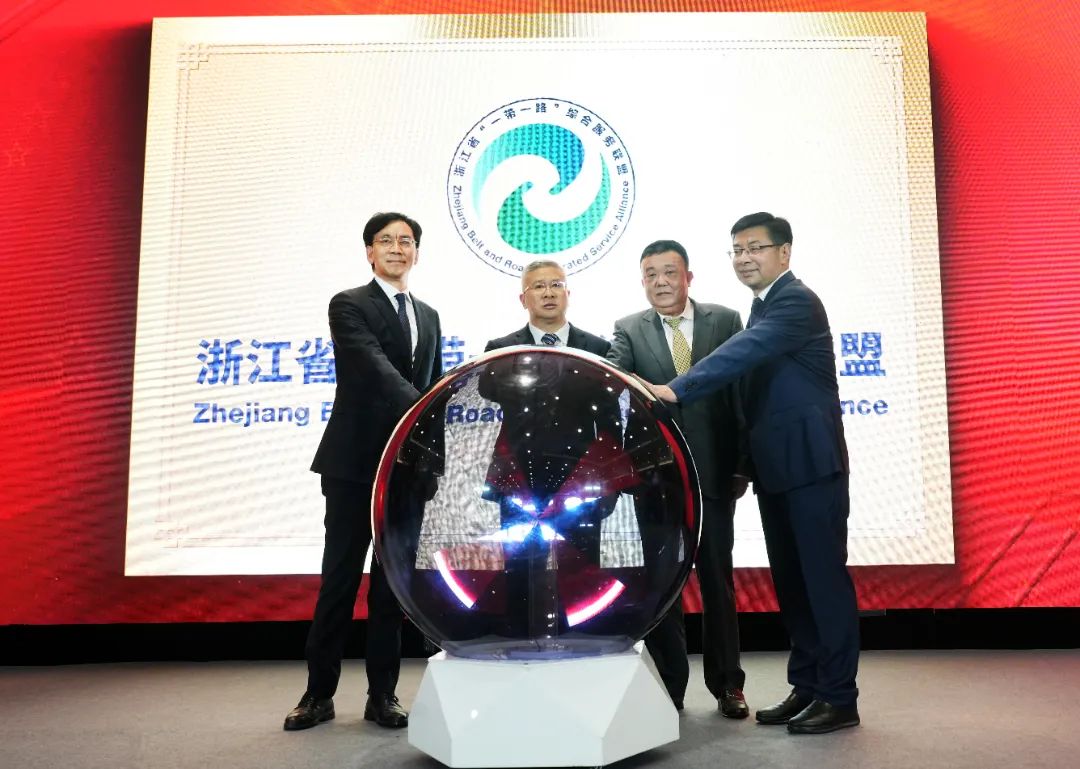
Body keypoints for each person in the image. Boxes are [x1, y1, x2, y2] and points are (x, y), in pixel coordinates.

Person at [649, 213, 860, 735]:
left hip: (811, 464)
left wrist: (677, 388)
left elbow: (741, 353)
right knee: (792, 584)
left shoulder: (795, 301)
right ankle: (808, 685)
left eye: (755, 248)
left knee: (823, 582)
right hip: (777, 470)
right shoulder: (761, 306)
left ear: (784, 252)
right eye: (737, 250)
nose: (745, 258)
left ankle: (839, 696)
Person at [284, 212, 443, 731]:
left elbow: (434, 384)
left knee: (391, 588)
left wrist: (432, 445)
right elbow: (373, 367)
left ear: (416, 252)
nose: (397, 248)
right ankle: (318, 694)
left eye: (406, 241)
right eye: (386, 240)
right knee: (340, 579)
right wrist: (419, 407)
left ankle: (383, 696)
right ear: (369, 252)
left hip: (405, 469)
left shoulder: (429, 315)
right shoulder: (349, 304)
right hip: (353, 465)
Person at [607, 239, 749, 717]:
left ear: (689, 277)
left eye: (669, 272)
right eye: (651, 274)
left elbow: (740, 397)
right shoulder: (628, 329)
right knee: (663, 586)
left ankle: (728, 684)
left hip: (715, 474)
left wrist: (741, 463)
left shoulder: (724, 321)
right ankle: (671, 690)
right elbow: (614, 384)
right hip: (656, 481)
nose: (661, 282)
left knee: (717, 581)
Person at [481, 261, 617, 639]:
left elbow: (610, 421)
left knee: (582, 567)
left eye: (556, 284)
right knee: (519, 566)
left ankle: (582, 648)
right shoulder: (500, 351)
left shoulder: (598, 349)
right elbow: (489, 391)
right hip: (520, 478)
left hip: (580, 478)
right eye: (538, 287)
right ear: (523, 298)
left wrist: (610, 479)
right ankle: (521, 649)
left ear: (568, 293)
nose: (548, 293)